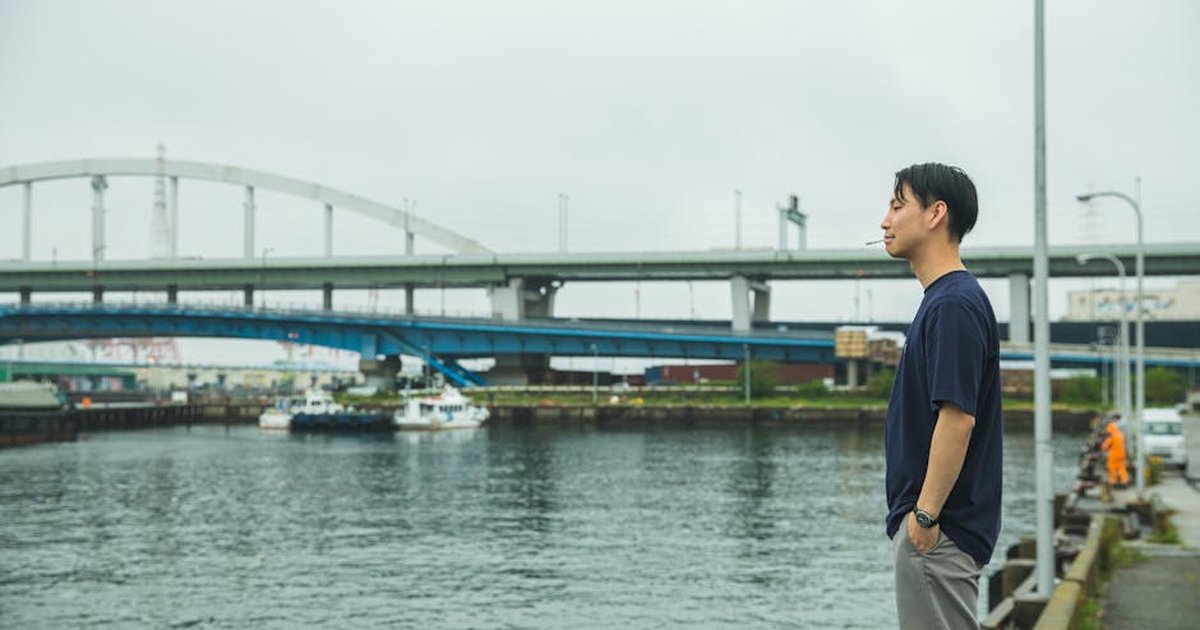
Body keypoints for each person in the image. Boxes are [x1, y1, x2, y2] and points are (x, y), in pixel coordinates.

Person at [879, 163, 1003, 630]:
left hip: (939, 533)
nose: (885, 221)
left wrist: (924, 520)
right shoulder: (946, 300)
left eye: (896, 205)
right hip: (938, 532)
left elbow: (957, 419)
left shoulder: (952, 304)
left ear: (935, 214)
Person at [1101, 418, 1129, 487]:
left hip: (1114, 455)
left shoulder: (1112, 436)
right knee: (1121, 467)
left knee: (1111, 467)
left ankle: (1113, 481)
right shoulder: (1120, 434)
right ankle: (1125, 480)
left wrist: (1103, 447)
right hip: (1122, 454)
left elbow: (1105, 446)